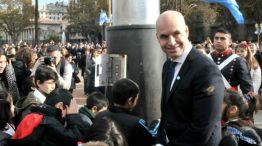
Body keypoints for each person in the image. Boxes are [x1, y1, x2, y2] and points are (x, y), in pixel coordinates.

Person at [155, 10, 224, 146]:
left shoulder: (206, 70)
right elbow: (167, 113)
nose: (171, 42)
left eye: (176, 33)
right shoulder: (168, 65)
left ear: (186, 31)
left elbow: (201, 130)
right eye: (164, 36)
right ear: (157, 37)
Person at [10, 89, 88, 146]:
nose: (72, 112)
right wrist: (73, 115)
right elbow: (76, 139)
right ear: (60, 106)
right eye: (71, 109)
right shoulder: (49, 123)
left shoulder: (33, 114)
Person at [95, 78, 154, 146]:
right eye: (136, 98)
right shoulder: (137, 123)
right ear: (130, 101)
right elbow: (150, 141)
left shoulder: (99, 116)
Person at [208, 28, 253, 95]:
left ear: (230, 42)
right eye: (216, 38)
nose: (218, 41)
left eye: (222, 38)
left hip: (229, 100)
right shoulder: (206, 58)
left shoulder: (238, 61)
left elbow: (247, 88)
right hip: (208, 99)